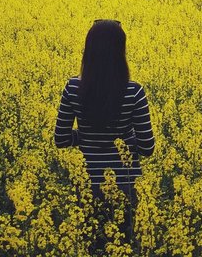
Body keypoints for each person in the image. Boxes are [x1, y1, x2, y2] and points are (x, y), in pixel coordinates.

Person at [54, 19, 155, 242]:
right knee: (125, 243)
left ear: (88, 49)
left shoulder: (72, 88)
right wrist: (123, 141)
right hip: (125, 184)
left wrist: (87, 137)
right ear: (121, 51)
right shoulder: (134, 92)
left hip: (87, 182)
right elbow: (147, 147)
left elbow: (61, 139)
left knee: (91, 243)